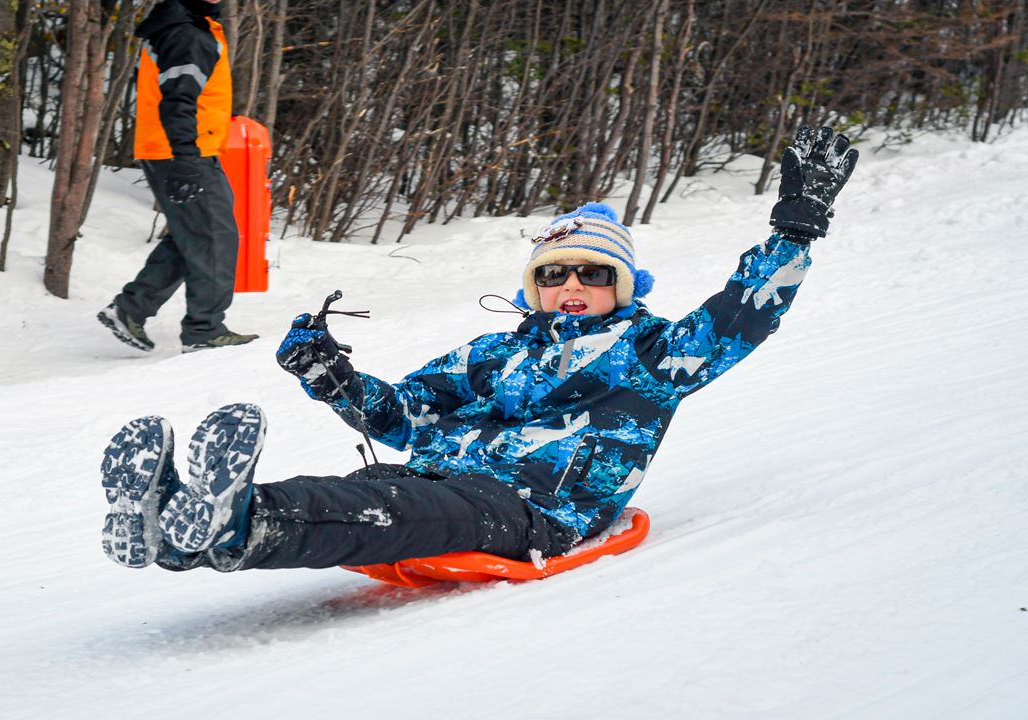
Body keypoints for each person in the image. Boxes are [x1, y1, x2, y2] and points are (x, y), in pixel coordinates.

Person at [98, 126, 858, 574]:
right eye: (553, 274)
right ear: (534, 287)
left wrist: (793, 232)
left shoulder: (653, 354)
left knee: (383, 505)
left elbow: (740, 319)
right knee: (365, 489)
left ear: (621, 287)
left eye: (593, 274)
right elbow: (402, 416)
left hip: (534, 510)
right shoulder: (497, 352)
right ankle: (179, 529)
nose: (571, 286)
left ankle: (238, 523)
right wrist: (335, 380)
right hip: (443, 478)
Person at [97, 0, 257, 354]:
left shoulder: (185, 25)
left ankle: (131, 309)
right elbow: (178, 101)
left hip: (179, 149)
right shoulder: (187, 33)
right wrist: (187, 156)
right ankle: (204, 330)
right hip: (183, 151)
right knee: (215, 237)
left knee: (195, 234)